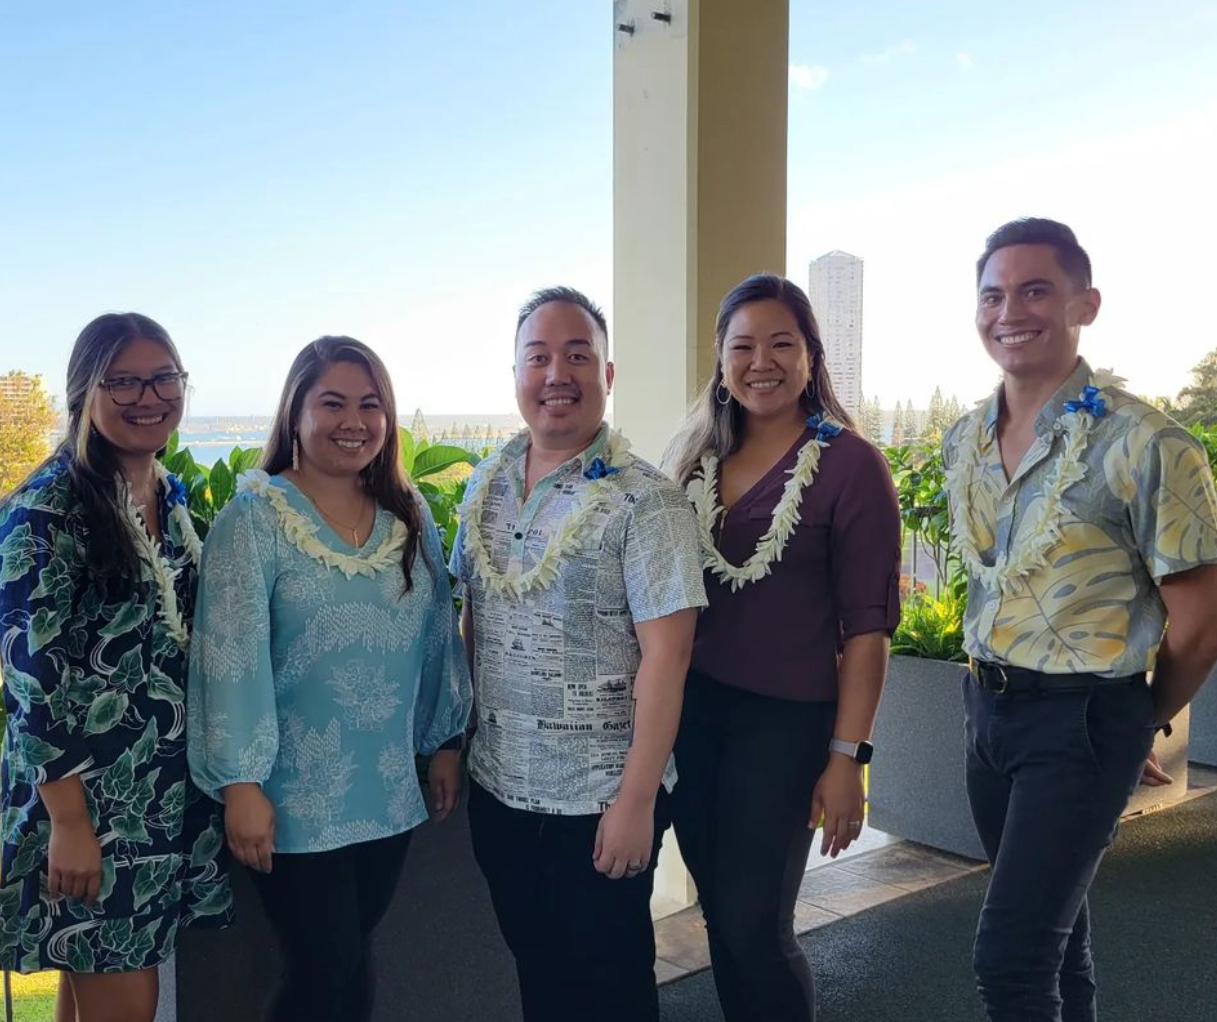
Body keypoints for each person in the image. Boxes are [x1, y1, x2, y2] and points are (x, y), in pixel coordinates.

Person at [944, 217, 1217, 1021]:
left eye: (1035, 290)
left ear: (1083, 303)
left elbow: (1199, 622)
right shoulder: (966, 436)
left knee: (1011, 960)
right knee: (1057, 944)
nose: (1009, 311)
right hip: (985, 713)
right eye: (993, 294)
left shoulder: (1147, 443)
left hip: (1082, 718)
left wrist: (1135, 725)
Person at [186, 336, 471, 1022]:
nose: (354, 420)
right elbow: (230, 656)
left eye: (370, 404)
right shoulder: (254, 519)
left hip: (387, 786)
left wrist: (446, 741)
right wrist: (242, 784)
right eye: (333, 402)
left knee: (353, 960)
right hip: (290, 797)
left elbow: (437, 632)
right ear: (296, 412)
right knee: (321, 970)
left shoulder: (409, 513)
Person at [450, 287, 707, 1022]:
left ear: (608, 373)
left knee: (610, 990)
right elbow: (475, 620)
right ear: (516, 374)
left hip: (599, 802)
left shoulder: (646, 502)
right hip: (499, 792)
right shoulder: (485, 488)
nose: (556, 373)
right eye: (539, 356)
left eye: (577, 355)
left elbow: (670, 657)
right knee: (540, 978)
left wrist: (636, 801)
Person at [664, 274, 901, 1021]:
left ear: (810, 357)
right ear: (721, 362)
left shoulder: (850, 465)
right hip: (694, 718)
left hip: (787, 726)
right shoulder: (697, 461)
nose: (760, 361)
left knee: (754, 926)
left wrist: (846, 760)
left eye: (781, 343)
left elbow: (869, 629)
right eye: (743, 346)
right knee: (723, 923)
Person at [0, 313, 232, 1022]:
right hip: (87, 806)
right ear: (83, 391)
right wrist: (68, 821)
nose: (148, 396)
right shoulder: (44, 511)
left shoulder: (170, 496)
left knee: (94, 986)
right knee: (127, 1000)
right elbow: (33, 682)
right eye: (123, 380)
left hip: (156, 797)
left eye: (164, 378)